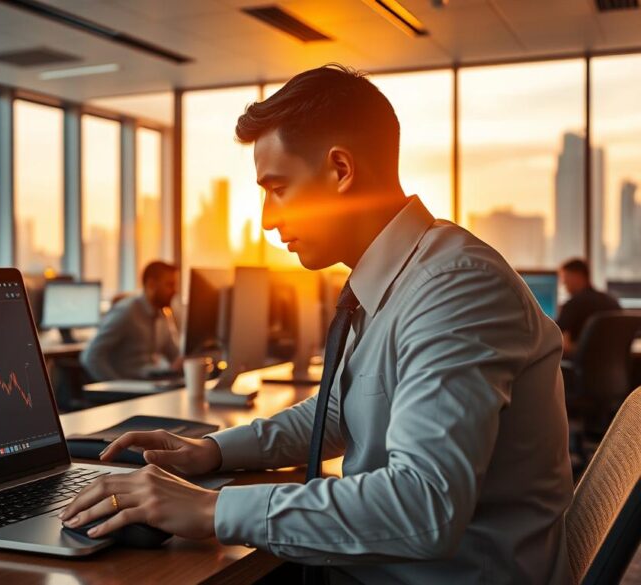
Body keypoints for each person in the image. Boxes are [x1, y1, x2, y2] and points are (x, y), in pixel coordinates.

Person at [61, 65, 573, 584]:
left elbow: (423, 507)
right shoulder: (393, 280)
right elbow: (337, 410)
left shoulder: (455, 288)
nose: (265, 217)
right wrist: (211, 451)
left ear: (340, 170)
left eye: (277, 187)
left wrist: (211, 511)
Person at [80, 261, 182, 381]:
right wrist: (116, 386)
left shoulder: (163, 314)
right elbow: (90, 357)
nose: (175, 291)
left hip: (151, 383)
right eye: (170, 285)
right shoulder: (126, 312)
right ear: (151, 285)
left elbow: (174, 355)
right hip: (130, 387)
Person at [557, 257, 620, 356]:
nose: (563, 283)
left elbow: (555, 337)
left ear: (577, 276)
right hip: (614, 366)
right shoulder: (612, 302)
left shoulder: (573, 304)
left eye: (565, 278)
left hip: (582, 365)